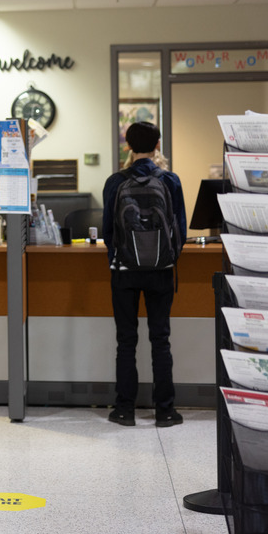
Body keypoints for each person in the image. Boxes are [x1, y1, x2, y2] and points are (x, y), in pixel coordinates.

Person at [101, 121, 187, 428]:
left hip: (124, 271)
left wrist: (122, 256)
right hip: (161, 271)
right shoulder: (170, 180)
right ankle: (165, 411)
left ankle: (124, 410)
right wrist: (165, 258)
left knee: (126, 340)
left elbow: (108, 232)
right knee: (160, 339)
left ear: (128, 146)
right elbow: (181, 230)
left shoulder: (115, 182)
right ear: (158, 144)